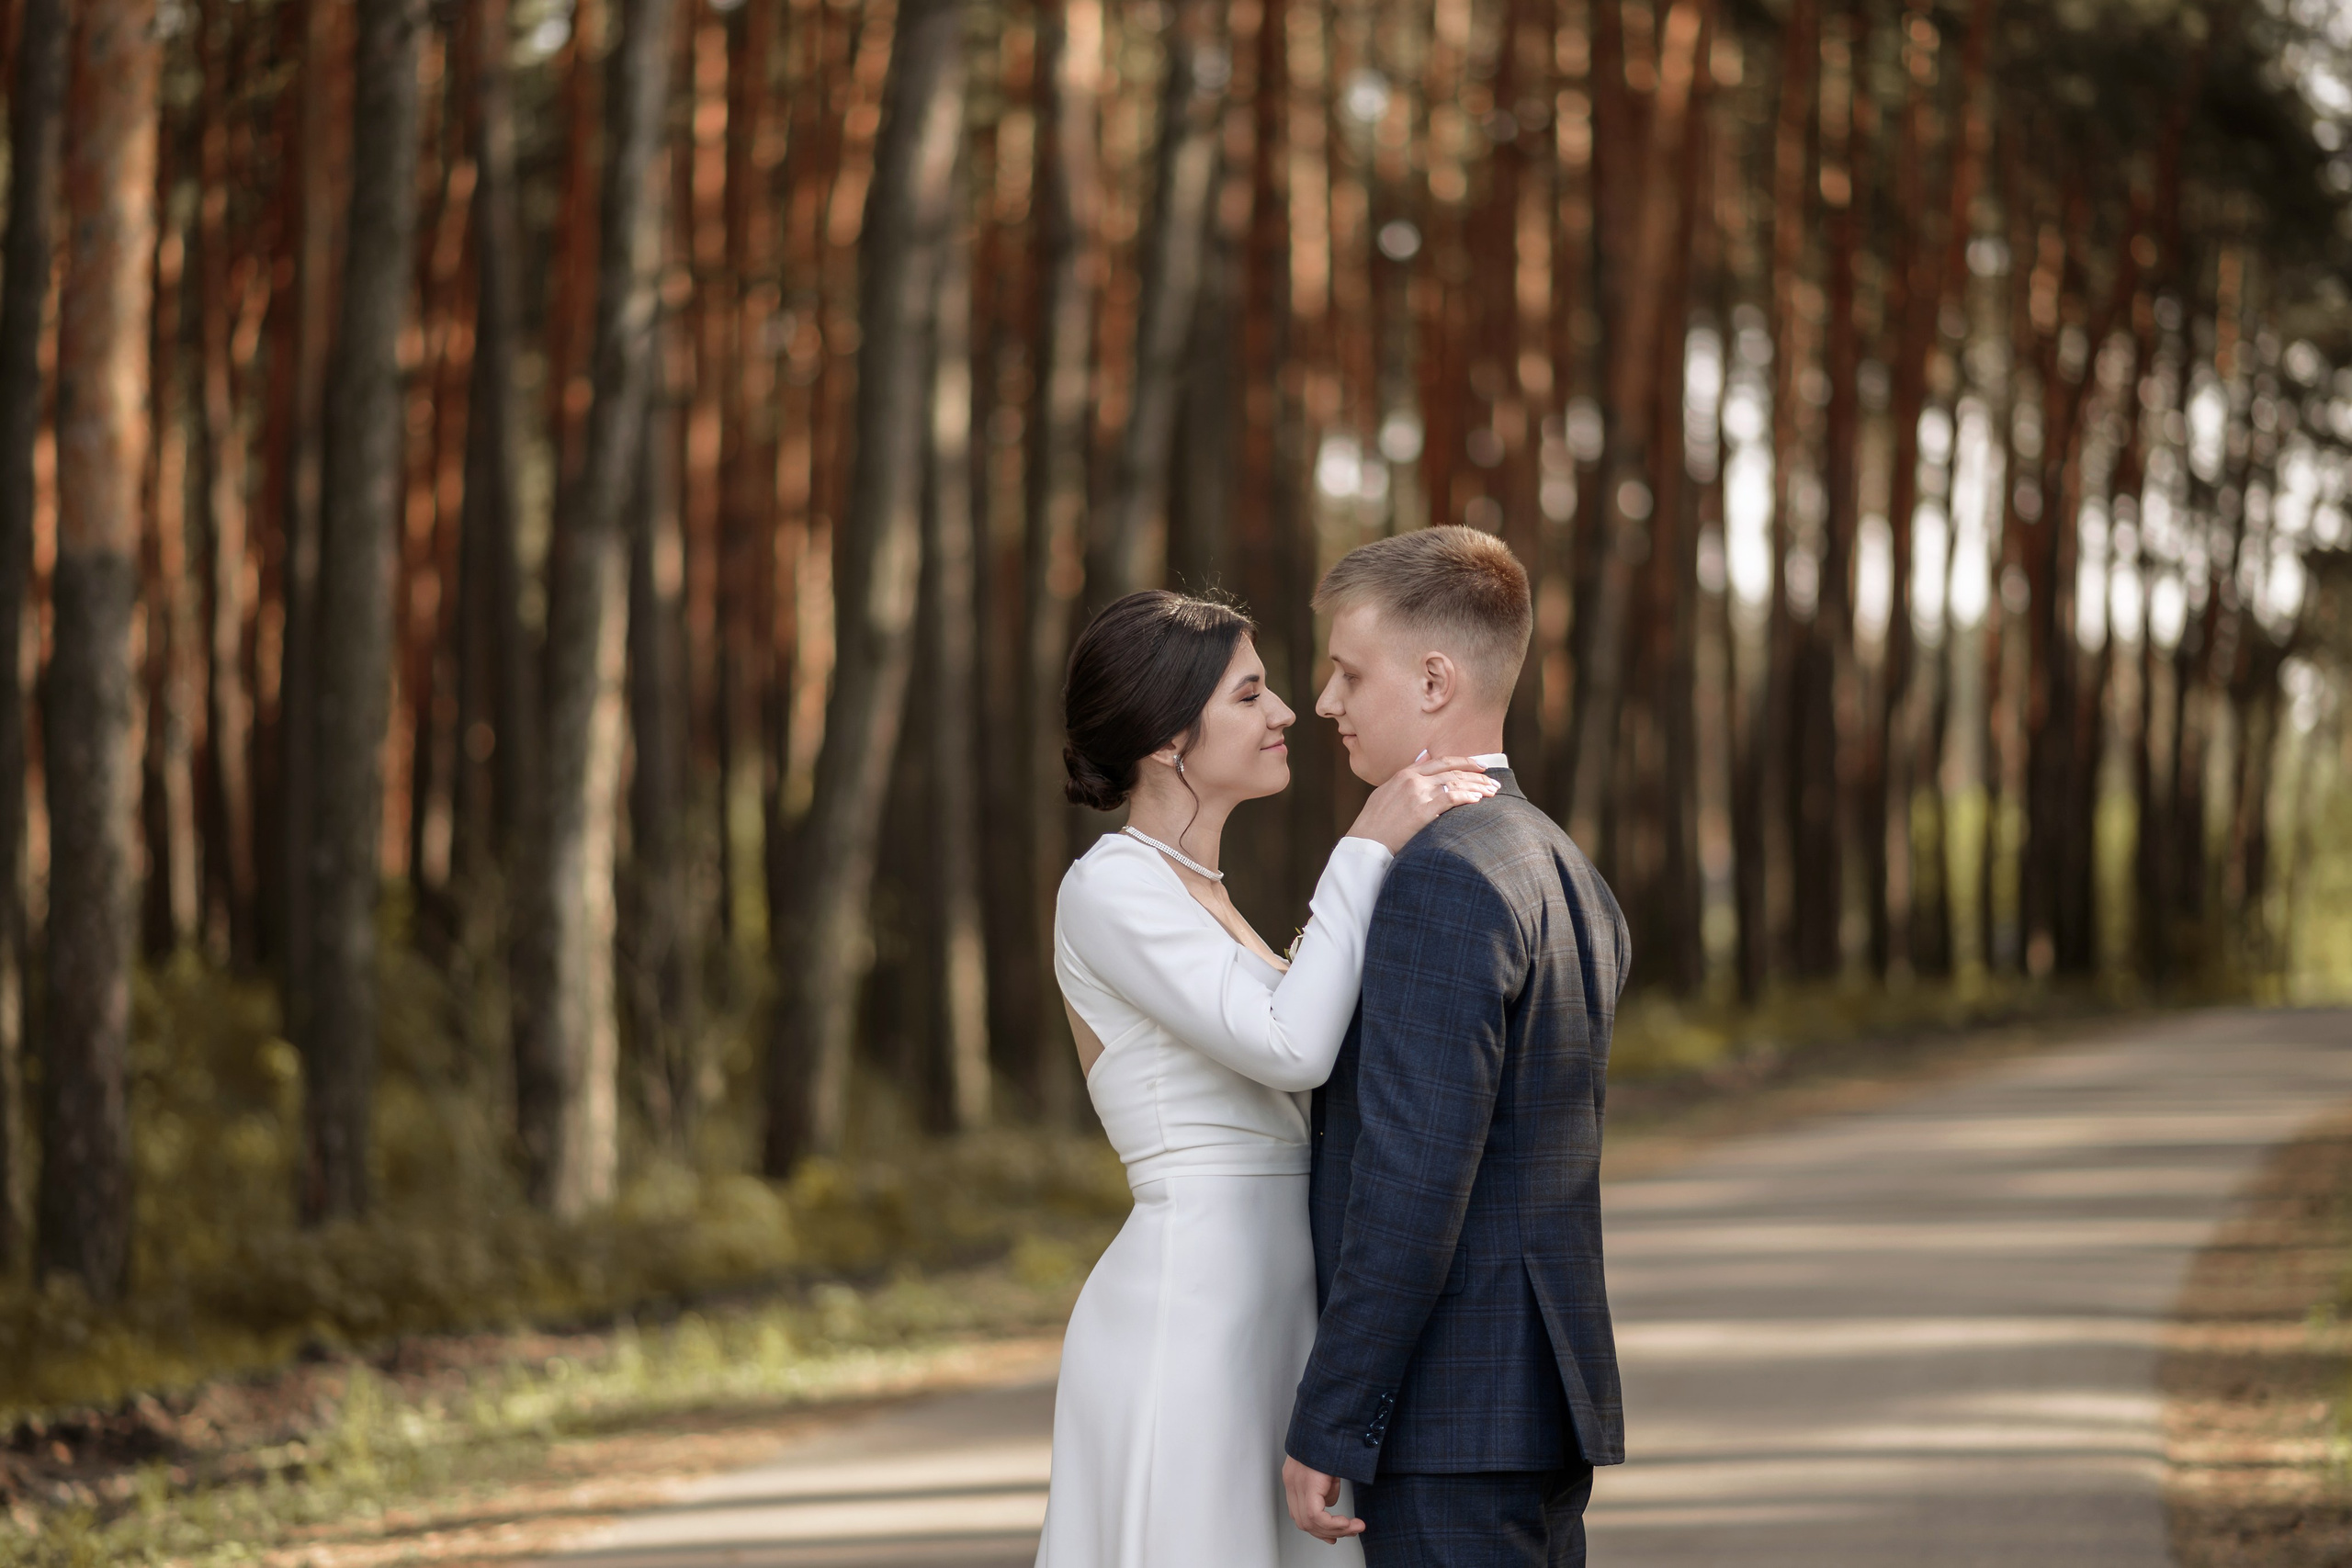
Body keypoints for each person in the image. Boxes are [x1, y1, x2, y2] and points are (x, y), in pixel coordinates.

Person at [1034, 588, 1499, 1568]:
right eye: (1249, 695)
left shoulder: (1204, 892)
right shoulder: (1109, 886)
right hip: (1189, 1312)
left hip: (1276, 1308)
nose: (1288, 710)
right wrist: (1365, 848)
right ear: (1168, 737)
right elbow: (1291, 1047)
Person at [1282, 526, 1630, 1567]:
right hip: (1533, 1400)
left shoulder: (1441, 875)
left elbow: (1412, 1178)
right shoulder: (1556, 858)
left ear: (1435, 681)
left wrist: (1334, 1417)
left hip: (1451, 1417)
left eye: (1350, 673)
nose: (1326, 702)